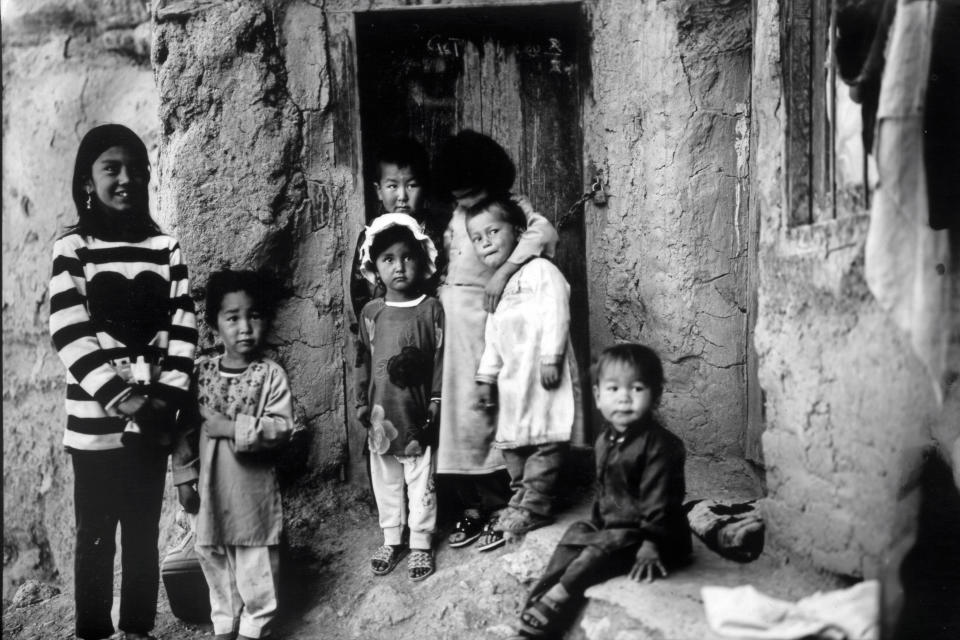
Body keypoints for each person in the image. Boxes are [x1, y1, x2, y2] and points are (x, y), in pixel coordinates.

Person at [49, 124, 198, 640]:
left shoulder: (165, 248)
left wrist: (161, 403)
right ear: (88, 180)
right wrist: (126, 399)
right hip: (94, 430)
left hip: (152, 427)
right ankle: (92, 630)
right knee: (95, 535)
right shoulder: (74, 250)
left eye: (136, 168)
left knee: (141, 534)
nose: (126, 178)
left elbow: (183, 332)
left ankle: (137, 630)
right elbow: (70, 334)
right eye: (111, 168)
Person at [511, 344, 691, 638]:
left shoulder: (661, 445)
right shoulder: (605, 440)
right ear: (597, 396)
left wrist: (652, 543)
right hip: (616, 529)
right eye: (613, 389)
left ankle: (558, 598)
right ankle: (538, 597)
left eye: (636, 388)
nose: (624, 397)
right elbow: (607, 490)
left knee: (603, 545)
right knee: (575, 534)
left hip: (655, 539)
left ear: (655, 396)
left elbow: (661, 500)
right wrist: (594, 525)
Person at [434, 130, 560, 552]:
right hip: (452, 328)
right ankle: (468, 506)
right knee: (457, 420)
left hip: (489, 321)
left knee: (487, 412)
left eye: (473, 193)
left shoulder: (511, 208)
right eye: (460, 196)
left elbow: (544, 233)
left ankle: (500, 501)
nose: (467, 204)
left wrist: (504, 271)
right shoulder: (454, 213)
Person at [173, 269, 294, 640]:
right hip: (209, 491)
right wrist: (183, 476)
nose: (244, 327)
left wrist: (233, 427)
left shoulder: (270, 375)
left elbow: (281, 428)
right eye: (233, 317)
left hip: (250, 493)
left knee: (256, 564)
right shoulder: (201, 375)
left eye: (253, 315)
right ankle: (225, 623)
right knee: (216, 560)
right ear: (214, 327)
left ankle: (256, 626)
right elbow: (185, 431)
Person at [468, 195, 581, 537]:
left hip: (543, 378)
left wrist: (551, 358)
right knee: (514, 447)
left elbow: (557, 312)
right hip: (513, 383)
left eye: (493, 231)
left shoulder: (541, 270)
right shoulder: (496, 290)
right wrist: (486, 379)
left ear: (517, 232)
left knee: (546, 442)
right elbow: (493, 338)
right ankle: (520, 501)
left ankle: (536, 507)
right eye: (477, 238)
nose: (485, 242)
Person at [355, 214, 444, 581]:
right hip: (381, 418)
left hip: (418, 415)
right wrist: (361, 400)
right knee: (387, 480)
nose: (399, 266)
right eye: (388, 259)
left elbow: (441, 358)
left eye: (407, 257)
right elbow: (362, 357)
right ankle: (392, 537)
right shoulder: (372, 312)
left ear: (421, 261)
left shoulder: (431, 309)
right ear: (375, 267)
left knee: (421, 480)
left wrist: (437, 400)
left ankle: (421, 541)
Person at [349, 136, 446, 329]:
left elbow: (443, 281)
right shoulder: (371, 237)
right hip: (385, 327)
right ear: (378, 190)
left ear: (424, 188)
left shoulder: (436, 233)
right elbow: (360, 289)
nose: (402, 197)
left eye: (411, 185)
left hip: (427, 326)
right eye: (392, 186)